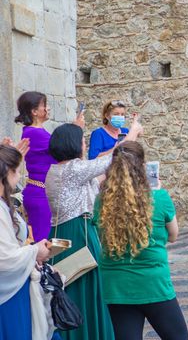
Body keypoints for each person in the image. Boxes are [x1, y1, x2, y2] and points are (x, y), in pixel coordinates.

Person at [46, 120, 143, 340]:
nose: (84, 145)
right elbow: (112, 158)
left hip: (65, 233)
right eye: (82, 141)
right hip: (77, 233)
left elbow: (96, 178)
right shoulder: (72, 169)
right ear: (73, 144)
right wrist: (133, 132)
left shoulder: (59, 170)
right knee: (84, 286)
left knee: (74, 288)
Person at [94, 142, 188, 340]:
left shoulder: (101, 201)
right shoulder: (159, 197)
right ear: (142, 167)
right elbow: (173, 235)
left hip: (116, 286)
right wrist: (158, 191)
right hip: (153, 283)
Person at [14, 91, 84, 242]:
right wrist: (76, 129)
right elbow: (63, 148)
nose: (48, 108)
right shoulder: (34, 133)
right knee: (43, 240)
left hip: (42, 190)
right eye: (44, 105)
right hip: (40, 192)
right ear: (34, 111)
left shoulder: (37, 131)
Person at [0, 144, 52, 340]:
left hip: (16, 286)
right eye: (16, 171)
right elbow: (4, 258)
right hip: (8, 294)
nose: (20, 175)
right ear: (6, 173)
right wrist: (34, 252)